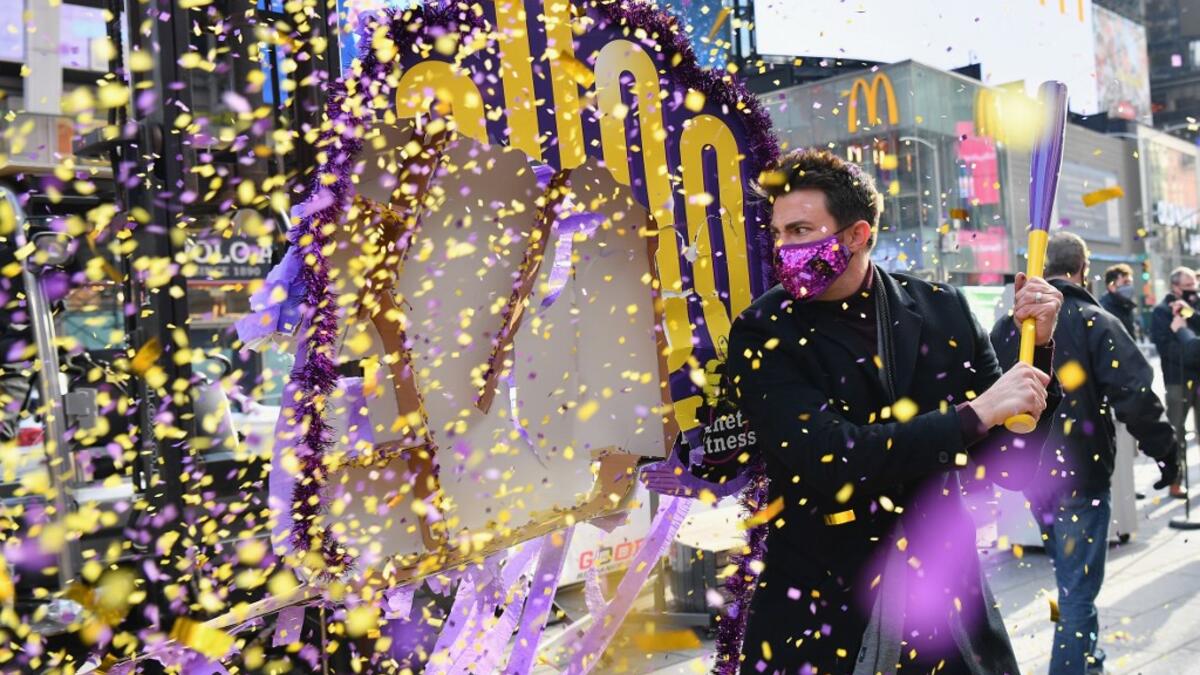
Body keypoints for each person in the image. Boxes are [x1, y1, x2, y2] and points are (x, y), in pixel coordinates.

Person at [726, 149, 1063, 674]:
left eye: (800, 230)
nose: (783, 248)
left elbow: (1005, 465)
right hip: (825, 609)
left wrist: (1037, 351)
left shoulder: (943, 309)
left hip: (947, 609)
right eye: (779, 233)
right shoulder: (763, 331)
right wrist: (972, 415)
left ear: (857, 235)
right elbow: (827, 460)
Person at [993, 233, 1178, 675]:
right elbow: (1135, 396)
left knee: (1068, 579)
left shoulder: (1010, 327)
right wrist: (1167, 455)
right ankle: (1075, 667)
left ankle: (1085, 658)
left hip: (1034, 476)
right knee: (1078, 587)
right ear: (1083, 269)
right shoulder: (1096, 321)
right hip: (1081, 476)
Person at [1150, 267, 1200, 498]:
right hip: (1177, 381)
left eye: (1195, 285)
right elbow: (1167, 349)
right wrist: (1189, 350)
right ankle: (1175, 481)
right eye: (1189, 285)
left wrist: (1191, 314)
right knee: (1176, 432)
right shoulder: (1161, 312)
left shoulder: (1194, 308)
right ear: (1176, 287)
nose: (1194, 289)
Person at [1098, 263, 1138, 339]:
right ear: (1111, 286)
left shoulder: (1126, 306)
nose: (1129, 286)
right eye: (1125, 282)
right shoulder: (1104, 310)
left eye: (1130, 282)